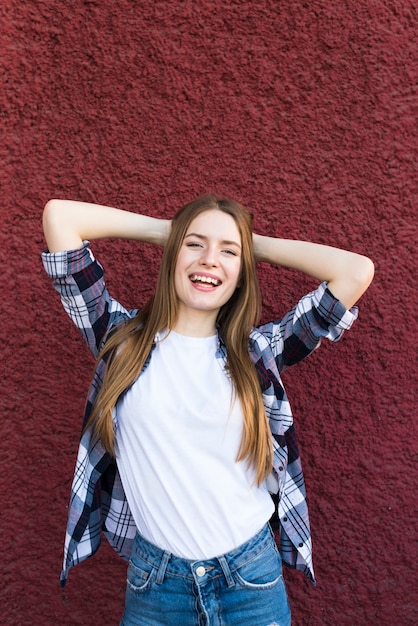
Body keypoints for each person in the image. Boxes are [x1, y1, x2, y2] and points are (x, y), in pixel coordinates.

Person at [42, 194, 374, 626]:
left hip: (250, 581)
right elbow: (60, 218)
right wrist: (171, 232)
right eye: (195, 245)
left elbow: (355, 271)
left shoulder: (259, 353)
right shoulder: (120, 340)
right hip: (155, 586)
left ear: (242, 275)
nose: (210, 260)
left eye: (228, 252)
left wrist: (250, 246)